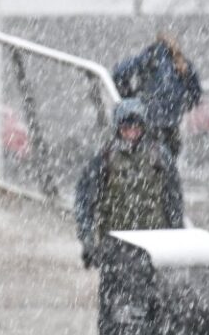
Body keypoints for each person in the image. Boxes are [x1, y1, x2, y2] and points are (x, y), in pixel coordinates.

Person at [75, 99, 184, 263]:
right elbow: (84, 200)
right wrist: (88, 240)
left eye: (136, 127)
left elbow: (173, 198)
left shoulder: (160, 156)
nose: (132, 132)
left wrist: (177, 235)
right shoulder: (104, 159)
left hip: (155, 246)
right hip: (115, 247)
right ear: (118, 129)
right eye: (127, 128)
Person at [110, 33, 202, 161]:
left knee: (148, 160)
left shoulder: (149, 57)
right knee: (169, 161)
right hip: (171, 123)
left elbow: (119, 72)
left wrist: (129, 96)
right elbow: (195, 93)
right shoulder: (184, 64)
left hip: (149, 119)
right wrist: (182, 106)